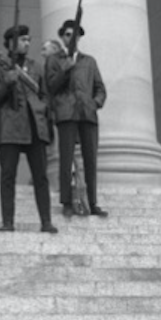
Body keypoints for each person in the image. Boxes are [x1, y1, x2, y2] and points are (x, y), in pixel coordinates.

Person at [0, 25, 57, 234]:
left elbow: (44, 94)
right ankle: (8, 221)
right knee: (8, 175)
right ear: (11, 43)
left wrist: (43, 108)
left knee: (40, 176)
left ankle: (46, 221)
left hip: (35, 125)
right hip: (10, 126)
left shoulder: (36, 67)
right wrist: (7, 82)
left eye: (28, 39)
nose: (27, 43)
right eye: (23, 39)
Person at [45, 19, 108, 218]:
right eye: (66, 35)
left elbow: (100, 88)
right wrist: (66, 68)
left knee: (91, 159)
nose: (70, 38)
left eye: (74, 34)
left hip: (87, 114)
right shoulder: (54, 60)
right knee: (65, 159)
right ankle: (66, 201)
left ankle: (92, 201)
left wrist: (94, 103)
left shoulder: (89, 61)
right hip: (66, 113)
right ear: (62, 38)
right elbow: (51, 87)